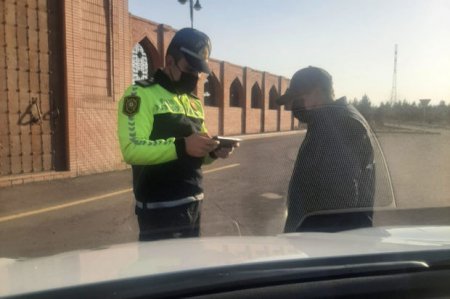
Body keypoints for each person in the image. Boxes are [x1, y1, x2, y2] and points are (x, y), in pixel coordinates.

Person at [117, 28, 237, 241]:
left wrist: (213, 152)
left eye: (198, 72)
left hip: (194, 202)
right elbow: (131, 150)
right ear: (170, 62)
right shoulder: (139, 95)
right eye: (189, 69)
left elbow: (197, 154)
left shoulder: (193, 102)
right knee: (161, 272)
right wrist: (182, 146)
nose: (194, 77)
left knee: (191, 270)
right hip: (159, 209)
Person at [276, 66, 375, 232]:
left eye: (298, 98)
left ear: (317, 92)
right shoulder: (329, 120)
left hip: (325, 245)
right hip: (323, 243)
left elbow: (338, 200)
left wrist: (311, 243)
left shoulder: (339, 124)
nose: (294, 107)